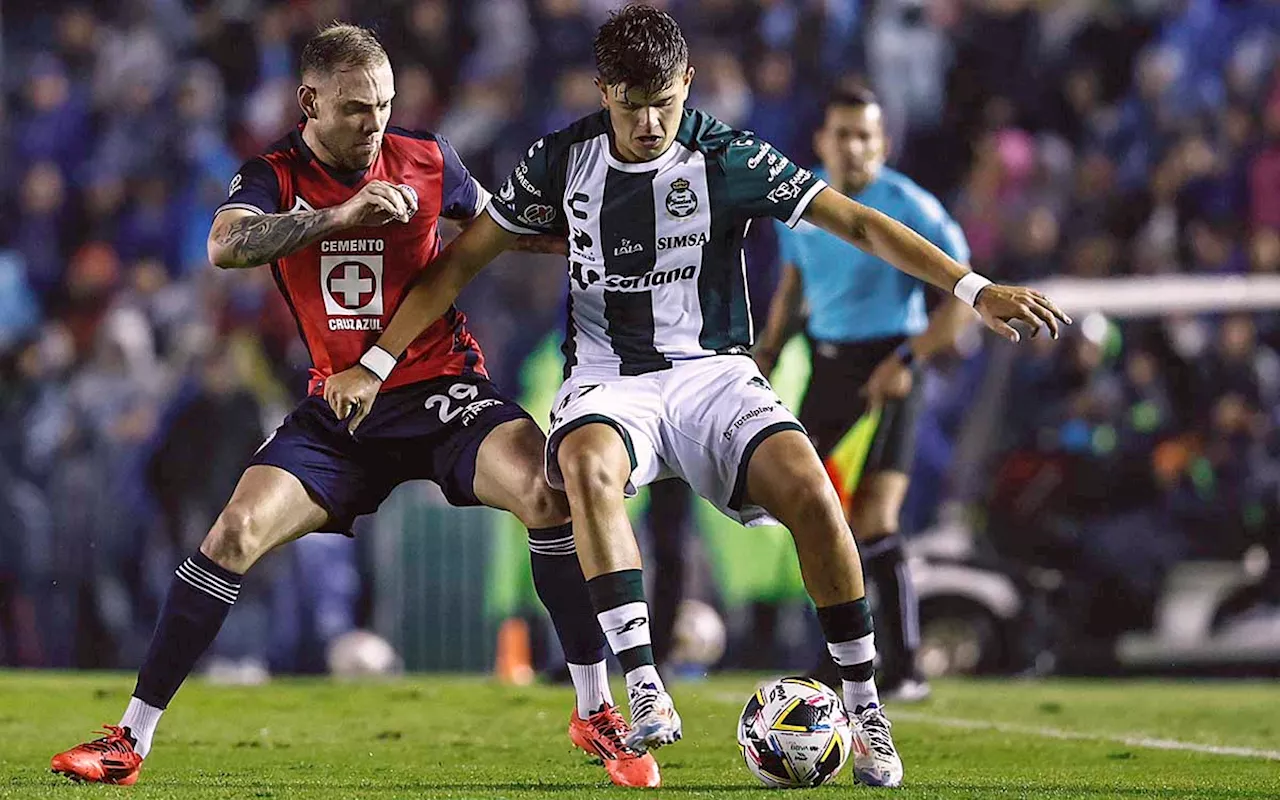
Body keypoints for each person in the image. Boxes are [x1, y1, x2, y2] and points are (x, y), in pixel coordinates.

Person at [324, 5, 1069, 788]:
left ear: (687, 82)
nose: (649, 123)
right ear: (604, 89)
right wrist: (375, 360)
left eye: (664, 102)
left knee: (814, 492)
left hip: (713, 373)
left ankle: (865, 704)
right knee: (583, 466)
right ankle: (643, 682)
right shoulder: (558, 160)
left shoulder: (728, 155)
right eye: (631, 103)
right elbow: (456, 263)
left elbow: (856, 223)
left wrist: (973, 286)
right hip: (611, 377)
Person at [50, 23, 660, 790]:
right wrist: (342, 218)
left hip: (442, 390)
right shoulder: (272, 175)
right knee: (233, 531)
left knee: (546, 493)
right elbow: (225, 247)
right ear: (308, 101)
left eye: (382, 105)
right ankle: (129, 742)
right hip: (340, 410)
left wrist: (596, 237)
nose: (374, 124)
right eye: (354, 109)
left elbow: (499, 229)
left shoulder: (428, 157)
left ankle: (594, 708)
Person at [755, 87, 974, 703]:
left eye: (866, 135)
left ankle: (904, 666)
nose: (854, 146)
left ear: (884, 143)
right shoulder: (802, 204)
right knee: (809, 507)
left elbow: (961, 302)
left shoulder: (911, 207)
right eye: (843, 134)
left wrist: (909, 359)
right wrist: (767, 351)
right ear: (822, 142)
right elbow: (795, 283)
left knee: (875, 516)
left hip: (890, 366)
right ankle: (842, 653)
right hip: (827, 367)